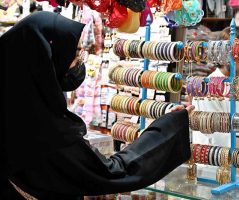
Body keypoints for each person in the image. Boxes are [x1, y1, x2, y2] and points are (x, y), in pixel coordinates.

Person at [1, 11, 194, 199]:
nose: (78, 64)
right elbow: (112, 173)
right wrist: (169, 127)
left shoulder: (17, 110)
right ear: (46, 60)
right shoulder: (49, 134)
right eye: (75, 56)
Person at [191, 26, 239, 147]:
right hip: (214, 163)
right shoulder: (208, 88)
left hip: (236, 160)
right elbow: (216, 137)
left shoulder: (237, 84)